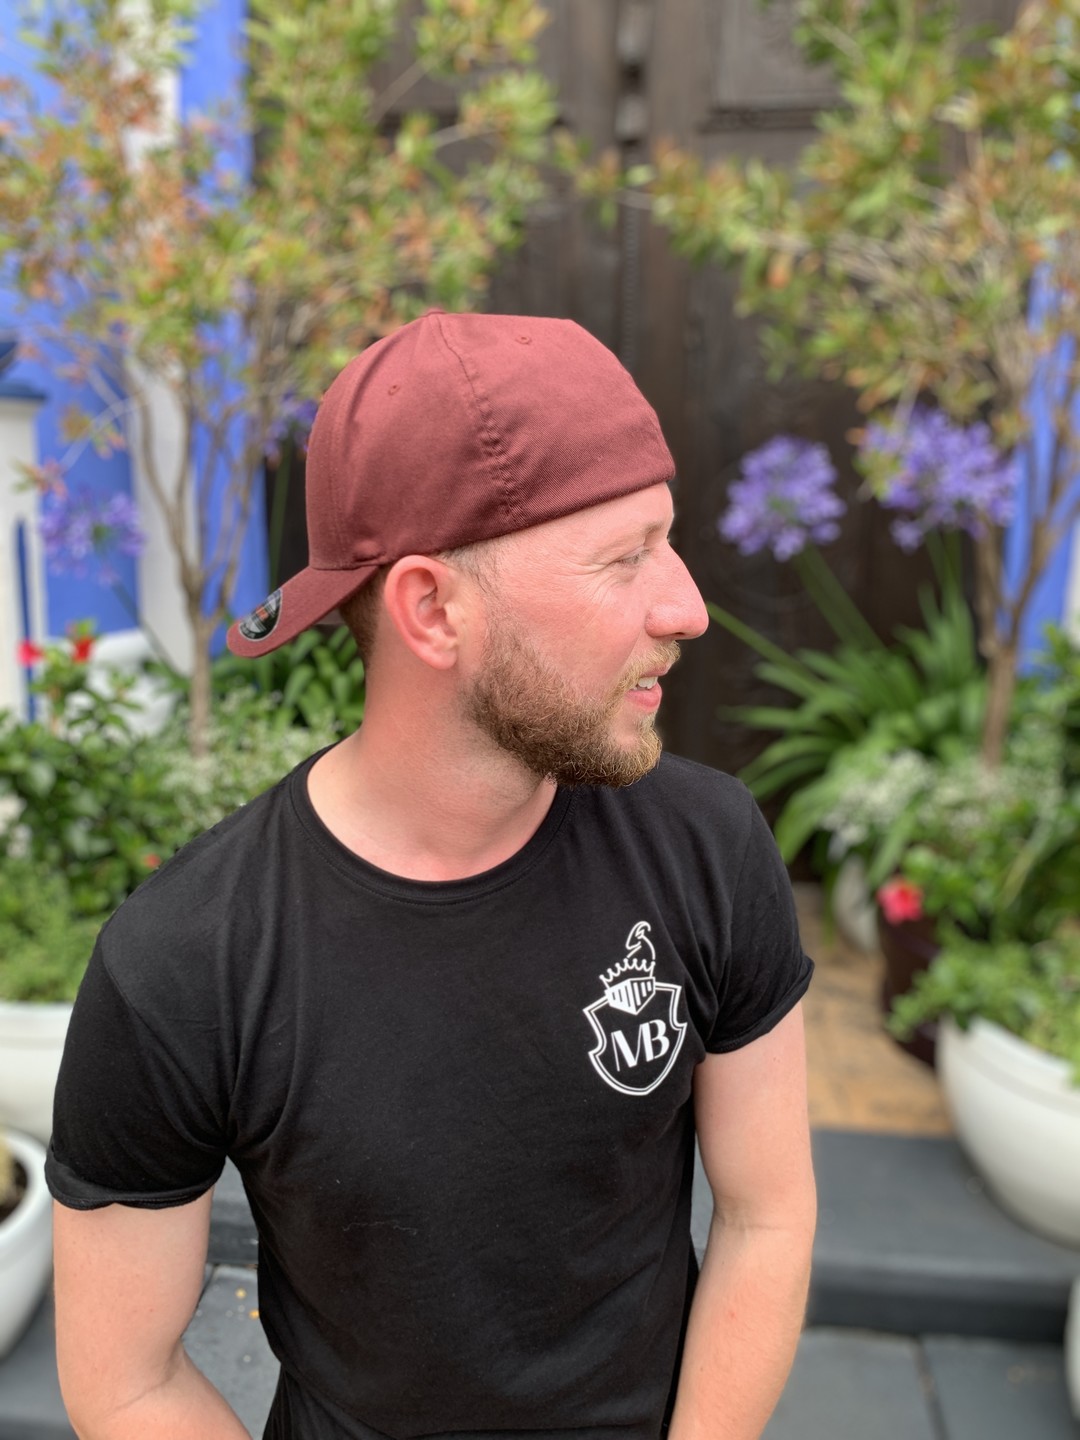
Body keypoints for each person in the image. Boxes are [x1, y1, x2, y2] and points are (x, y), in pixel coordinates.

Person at [47, 310, 816, 1440]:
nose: (687, 607)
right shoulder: (186, 964)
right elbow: (123, 1381)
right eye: (624, 558)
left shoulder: (705, 845)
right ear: (431, 609)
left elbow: (766, 1216)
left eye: (667, 539)